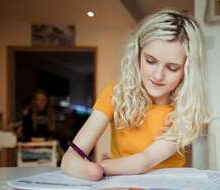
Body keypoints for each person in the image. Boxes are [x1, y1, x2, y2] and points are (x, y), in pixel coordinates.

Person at [61, 9, 209, 181]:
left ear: (187, 71)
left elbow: (144, 161)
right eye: (150, 61)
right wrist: (91, 170)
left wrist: (102, 167)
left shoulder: (187, 109)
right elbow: (71, 156)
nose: (158, 75)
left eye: (172, 67)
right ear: (137, 55)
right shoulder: (115, 94)